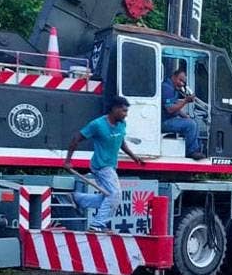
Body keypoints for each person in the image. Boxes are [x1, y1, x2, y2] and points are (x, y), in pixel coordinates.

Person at [65, 96, 144, 232]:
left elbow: (121, 141)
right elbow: (75, 138)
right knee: (115, 194)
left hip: (111, 166)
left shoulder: (121, 124)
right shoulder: (97, 125)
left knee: (108, 197)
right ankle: (97, 224)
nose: (126, 114)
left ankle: (77, 198)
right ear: (114, 109)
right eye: (124, 111)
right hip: (101, 166)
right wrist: (67, 161)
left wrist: (133, 156)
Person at [161, 69, 206, 160]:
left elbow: (176, 108)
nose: (181, 84)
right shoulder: (167, 88)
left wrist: (186, 117)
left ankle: (197, 149)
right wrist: (185, 101)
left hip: (169, 119)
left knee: (193, 121)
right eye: (180, 80)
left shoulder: (173, 89)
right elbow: (170, 109)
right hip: (163, 122)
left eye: (183, 82)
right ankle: (191, 152)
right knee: (191, 125)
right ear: (173, 77)